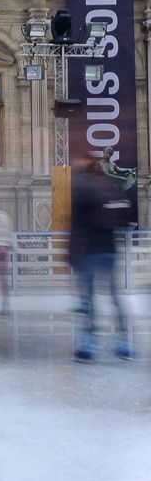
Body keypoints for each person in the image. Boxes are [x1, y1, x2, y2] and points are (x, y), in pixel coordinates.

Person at [68, 152, 133, 362]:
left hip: (89, 250)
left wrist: (71, 254)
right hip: (108, 248)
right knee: (113, 296)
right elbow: (124, 214)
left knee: (88, 299)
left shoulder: (80, 186)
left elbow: (76, 224)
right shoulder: (109, 185)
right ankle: (124, 342)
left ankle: (88, 343)